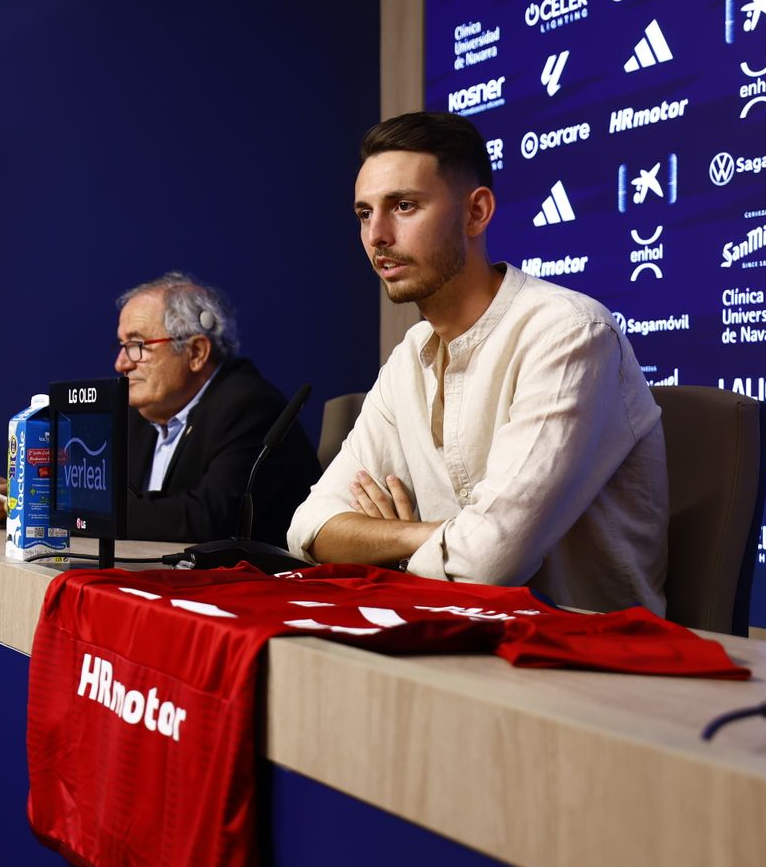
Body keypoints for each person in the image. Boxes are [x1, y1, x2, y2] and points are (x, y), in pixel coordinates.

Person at [285, 111, 667, 613]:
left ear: (476, 212)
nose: (376, 234)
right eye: (363, 213)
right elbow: (308, 528)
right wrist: (433, 537)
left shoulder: (569, 333)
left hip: (588, 661)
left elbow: (487, 564)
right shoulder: (409, 357)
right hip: (453, 639)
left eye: (403, 206)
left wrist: (391, 545)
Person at [0, 272, 320, 545]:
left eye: (137, 345)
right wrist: (14, 497)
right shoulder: (141, 413)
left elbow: (209, 520)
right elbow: (83, 494)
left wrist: (48, 507)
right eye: (122, 346)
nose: (121, 363)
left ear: (196, 352)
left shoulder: (250, 407)